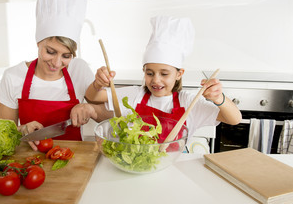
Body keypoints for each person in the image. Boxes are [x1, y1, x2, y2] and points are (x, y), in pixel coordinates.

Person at [85, 16, 242, 143]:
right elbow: (93, 96)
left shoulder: (188, 101)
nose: (156, 80)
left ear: (179, 74)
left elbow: (235, 119)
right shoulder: (135, 95)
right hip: (136, 165)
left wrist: (218, 98)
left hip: (175, 165)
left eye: (164, 74)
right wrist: (98, 83)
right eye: (150, 73)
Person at [0, 0, 111, 150]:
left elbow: (108, 118)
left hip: (73, 157)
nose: (57, 63)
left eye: (66, 56)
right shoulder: (13, 76)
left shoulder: (79, 69)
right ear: (38, 43)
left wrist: (90, 109)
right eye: (50, 52)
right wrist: (22, 130)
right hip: (28, 161)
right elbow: (1, 133)